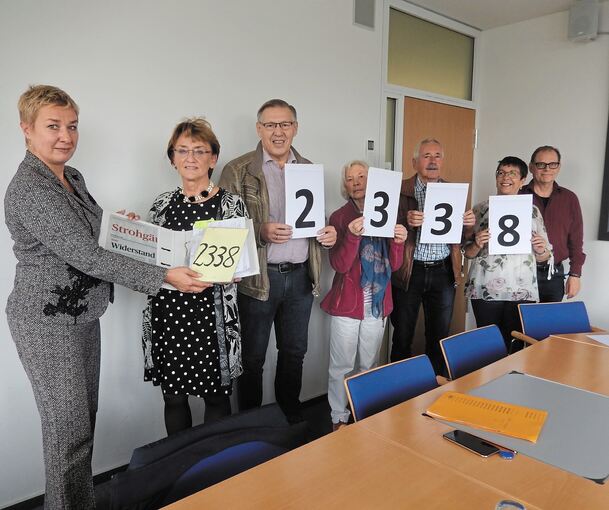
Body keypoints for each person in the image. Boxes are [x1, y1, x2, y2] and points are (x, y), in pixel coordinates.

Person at [5, 85, 206, 509]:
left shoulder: (70, 176)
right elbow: (86, 255)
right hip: (45, 322)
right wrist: (164, 275)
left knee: (81, 427)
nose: (66, 136)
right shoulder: (30, 189)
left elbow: (92, 232)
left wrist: (121, 226)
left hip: (81, 314)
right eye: (54, 127)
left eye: (72, 126)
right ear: (26, 129)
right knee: (68, 435)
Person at [219, 98, 337, 423]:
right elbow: (224, 227)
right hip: (259, 280)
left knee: (294, 353)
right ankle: (252, 427)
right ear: (259, 129)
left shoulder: (309, 168)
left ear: (295, 128)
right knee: (253, 359)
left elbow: (315, 219)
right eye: (270, 124)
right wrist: (261, 231)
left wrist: (328, 233)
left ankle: (289, 423)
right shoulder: (238, 170)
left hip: (300, 278)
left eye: (285, 124)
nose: (278, 131)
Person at [142, 117, 248, 435]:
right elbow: (149, 262)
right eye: (183, 150)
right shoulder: (160, 206)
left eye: (199, 150)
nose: (190, 158)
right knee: (173, 399)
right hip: (168, 315)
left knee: (216, 398)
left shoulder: (231, 205)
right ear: (172, 158)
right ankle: (180, 471)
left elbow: (238, 267)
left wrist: (235, 270)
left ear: (213, 158)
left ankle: (214, 475)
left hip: (210, 316)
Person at [320, 161, 407, 430]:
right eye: (350, 178)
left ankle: (363, 411)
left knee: (369, 363)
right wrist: (352, 237)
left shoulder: (388, 213)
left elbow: (394, 265)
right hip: (348, 302)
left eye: (361, 176)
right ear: (344, 185)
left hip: (378, 303)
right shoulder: (339, 217)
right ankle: (338, 416)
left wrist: (399, 242)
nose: (356, 182)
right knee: (341, 365)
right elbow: (340, 265)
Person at [390, 138, 475, 374]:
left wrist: (469, 225)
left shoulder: (453, 192)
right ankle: (396, 392)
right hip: (409, 270)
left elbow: (461, 239)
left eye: (437, 156)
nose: (432, 161)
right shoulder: (399, 191)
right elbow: (385, 228)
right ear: (415, 161)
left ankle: (433, 388)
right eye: (427, 156)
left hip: (443, 271)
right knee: (402, 334)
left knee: (438, 337)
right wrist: (404, 221)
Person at [464, 156, 552, 349]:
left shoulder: (533, 211)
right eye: (501, 173)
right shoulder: (479, 210)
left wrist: (541, 250)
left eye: (512, 173)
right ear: (496, 177)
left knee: (515, 345)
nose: (506, 177)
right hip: (486, 289)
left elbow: (545, 256)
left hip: (521, 289)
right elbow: (468, 253)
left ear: (522, 181)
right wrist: (477, 243)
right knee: (488, 346)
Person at [521, 145, 585, 302]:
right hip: (521, 271)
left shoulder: (569, 199)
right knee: (519, 324)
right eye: (541, 164)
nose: (547, 169)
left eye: (552, 164)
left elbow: (576, 241)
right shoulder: (518, 195)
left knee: (548, 324)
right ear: (531, 167)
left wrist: (575, 274)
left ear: (559, 167)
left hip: (553, 273)